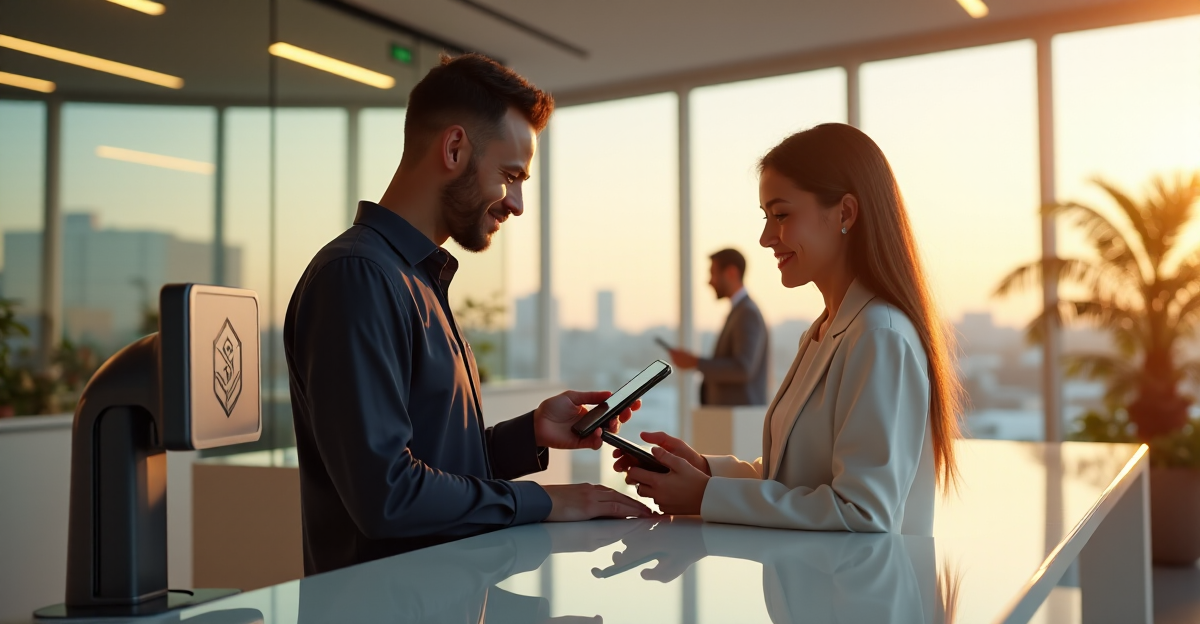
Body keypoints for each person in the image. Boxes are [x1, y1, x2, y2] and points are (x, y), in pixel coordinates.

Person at [284, 53, 651, 576]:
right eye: (511, 175)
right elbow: (387, 496)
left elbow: (433, 464)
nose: (518, 203)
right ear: (455, 148)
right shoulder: (359, 277)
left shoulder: (413, 277)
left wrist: (531, 433)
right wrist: (545, 502)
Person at [616, 123, 963, 535]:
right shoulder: (824, 331)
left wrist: (707, 495)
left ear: (845, 213)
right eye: (766, 217)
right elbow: (795, 478)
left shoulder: (878, 335)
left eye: (780, 215)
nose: (765, 238)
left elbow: (863, 512)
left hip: (862, 596)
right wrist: (706, 470)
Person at [666, 249, 769, 406]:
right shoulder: (740, 311)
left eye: (713, 273)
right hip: (730, 419)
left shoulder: (747, 313)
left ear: (731, 273)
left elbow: (743, 368)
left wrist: (695, 362)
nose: (710, 281)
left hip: (738, 420)